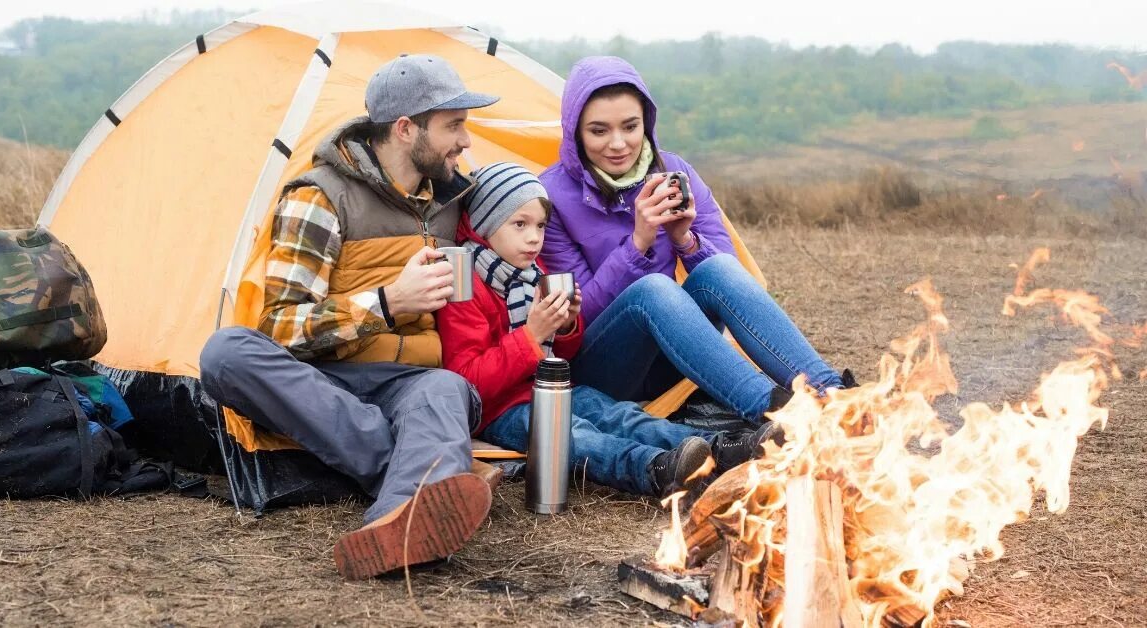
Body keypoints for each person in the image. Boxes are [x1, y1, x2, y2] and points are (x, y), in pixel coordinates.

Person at [199, 54, 499, 580]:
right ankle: (427, 469)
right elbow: (281, 328)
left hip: (411, 384)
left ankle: (394, 525)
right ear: (406, 130)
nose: (465, 141)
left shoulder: (456, 200)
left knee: (446, 391)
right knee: (226, 353)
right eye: (453, 126)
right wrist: (386, 304)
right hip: (325, 378)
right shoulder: (321, 196)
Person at [435, 163, 781, 499]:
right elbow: (467, 385)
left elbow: (564, 354)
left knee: (623, 417)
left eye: (540, 226)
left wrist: (567, 324)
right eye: (519, 224)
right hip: (502, 410)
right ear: (484, 224)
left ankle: (722, 451)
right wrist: (531, 335)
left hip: (556, 387)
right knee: (580, 436)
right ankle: (656, 469)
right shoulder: (466, 287)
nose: (533, 238)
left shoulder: (532, 272)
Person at [538, 56, 852, 425]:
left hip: (678, 354)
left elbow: (730, 281)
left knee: (716, 266)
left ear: (647, 124)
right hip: (604, 367)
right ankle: (775, 413)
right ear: (575, 131)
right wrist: (637, 244)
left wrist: (685, 240)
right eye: (599, 131)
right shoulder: (550, 195)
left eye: (630, 126)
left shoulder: (675, 173)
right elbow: (577, 319)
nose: (618, 144)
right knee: (653, 288)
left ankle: (835, 398)